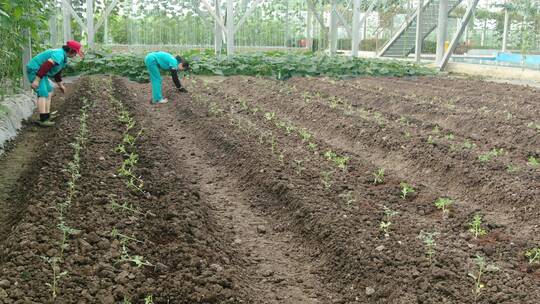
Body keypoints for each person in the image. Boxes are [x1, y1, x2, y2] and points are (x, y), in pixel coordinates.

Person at [26, 40, 84, 127]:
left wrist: (61, 86)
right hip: (35, 70)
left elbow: (57, 72)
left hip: (41, 72)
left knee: (49, 91)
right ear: (71, 50)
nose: (75, 55)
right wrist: (37, 80)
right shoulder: (59, 54)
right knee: (43, 93)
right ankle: (43, 120)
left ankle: (47, 115)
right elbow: (46, 66)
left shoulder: (63, 56)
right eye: (75, 53)